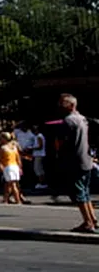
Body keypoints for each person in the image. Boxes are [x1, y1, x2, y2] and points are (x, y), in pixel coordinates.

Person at [58, 94, 95, 233]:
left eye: (63, 103)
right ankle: (92, 219)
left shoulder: (68, 121)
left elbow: (63, 143)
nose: (61, 106)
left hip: (74, 161)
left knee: (78, 193)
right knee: (85, 192)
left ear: (72, 105)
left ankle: (87, 222)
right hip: (86, 159)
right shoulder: (83, 119)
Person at [0, 132, 27, 205]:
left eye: (1, 138)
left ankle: (17, 200)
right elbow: (18, 159)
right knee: (8, 184)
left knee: (12, 184)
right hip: (15, 166)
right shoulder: (14, 147)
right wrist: (20, 167)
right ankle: (5, 199)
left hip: (8, 167)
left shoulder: (3, 148)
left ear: (4, 139)